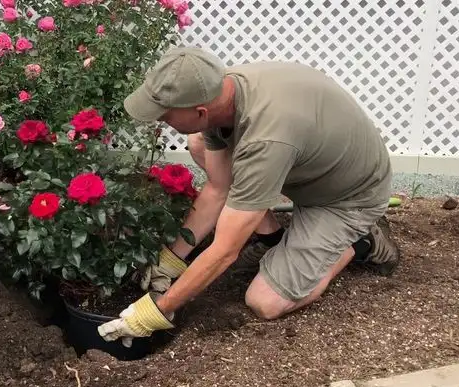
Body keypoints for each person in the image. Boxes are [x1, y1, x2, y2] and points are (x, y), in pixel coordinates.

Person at [97, 46, 400, 347]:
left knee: (265, 301)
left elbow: (225, 251)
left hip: (347, 198)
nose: (161, 122)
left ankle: (359, 242)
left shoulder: (266, 138)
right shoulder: (221, 90)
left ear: (200, 111)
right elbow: (218, 188)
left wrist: (156, 312)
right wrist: (171, 259)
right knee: (200, 143)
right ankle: (273, 239)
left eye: (165, 116)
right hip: (309, 168)